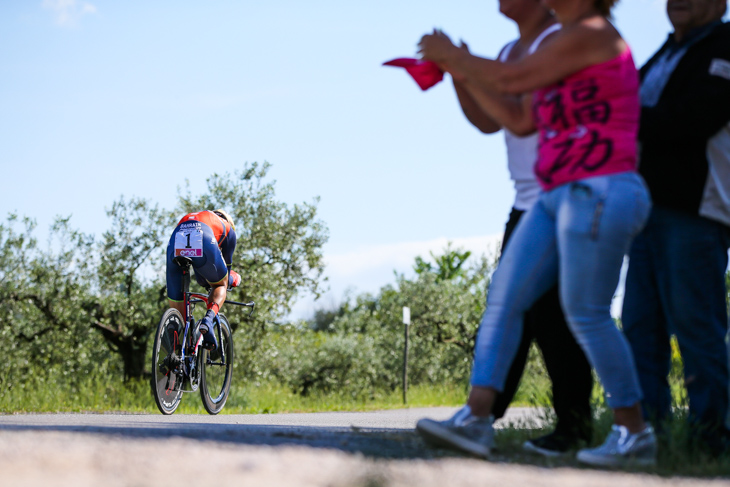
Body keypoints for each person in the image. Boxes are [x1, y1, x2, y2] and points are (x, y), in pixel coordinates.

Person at [414, 0, 656, 468]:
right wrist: (459, 70)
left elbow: (508, 81)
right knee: (504, 299)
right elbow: (519, 118)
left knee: (584, 313)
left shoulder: (592, 33)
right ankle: (475, 421)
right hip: (554, 192)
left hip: (602, 187)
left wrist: (450, 55)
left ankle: (634, 431)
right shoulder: (561, 42)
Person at [453, 0, 593, 456]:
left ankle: (570, 425)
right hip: (528, 200)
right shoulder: (513, 49)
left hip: (564, 195)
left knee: (552, 315)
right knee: (522, 308)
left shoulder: (556, 42)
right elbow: (490, 121)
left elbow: (522, 116)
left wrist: (463, 64)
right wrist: (461, 78)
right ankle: (485, 418)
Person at [621, 0, 730, 455]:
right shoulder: (667, 51)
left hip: (695, 212)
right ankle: (651, 438)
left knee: (696, 327)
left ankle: (712, 441)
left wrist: (620, 118)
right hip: (646, 212)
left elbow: (698, 116)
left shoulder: (726, 45)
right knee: (639, 328)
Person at [166, 209, 241, 351]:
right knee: (221, 284)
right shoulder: (228, 229)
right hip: (204, 239)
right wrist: (233, 279)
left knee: (178, 310)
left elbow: (201, 278)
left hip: (175, 241)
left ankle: (174, 352)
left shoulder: (194, 216)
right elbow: (226, 272)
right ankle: (208, 319)